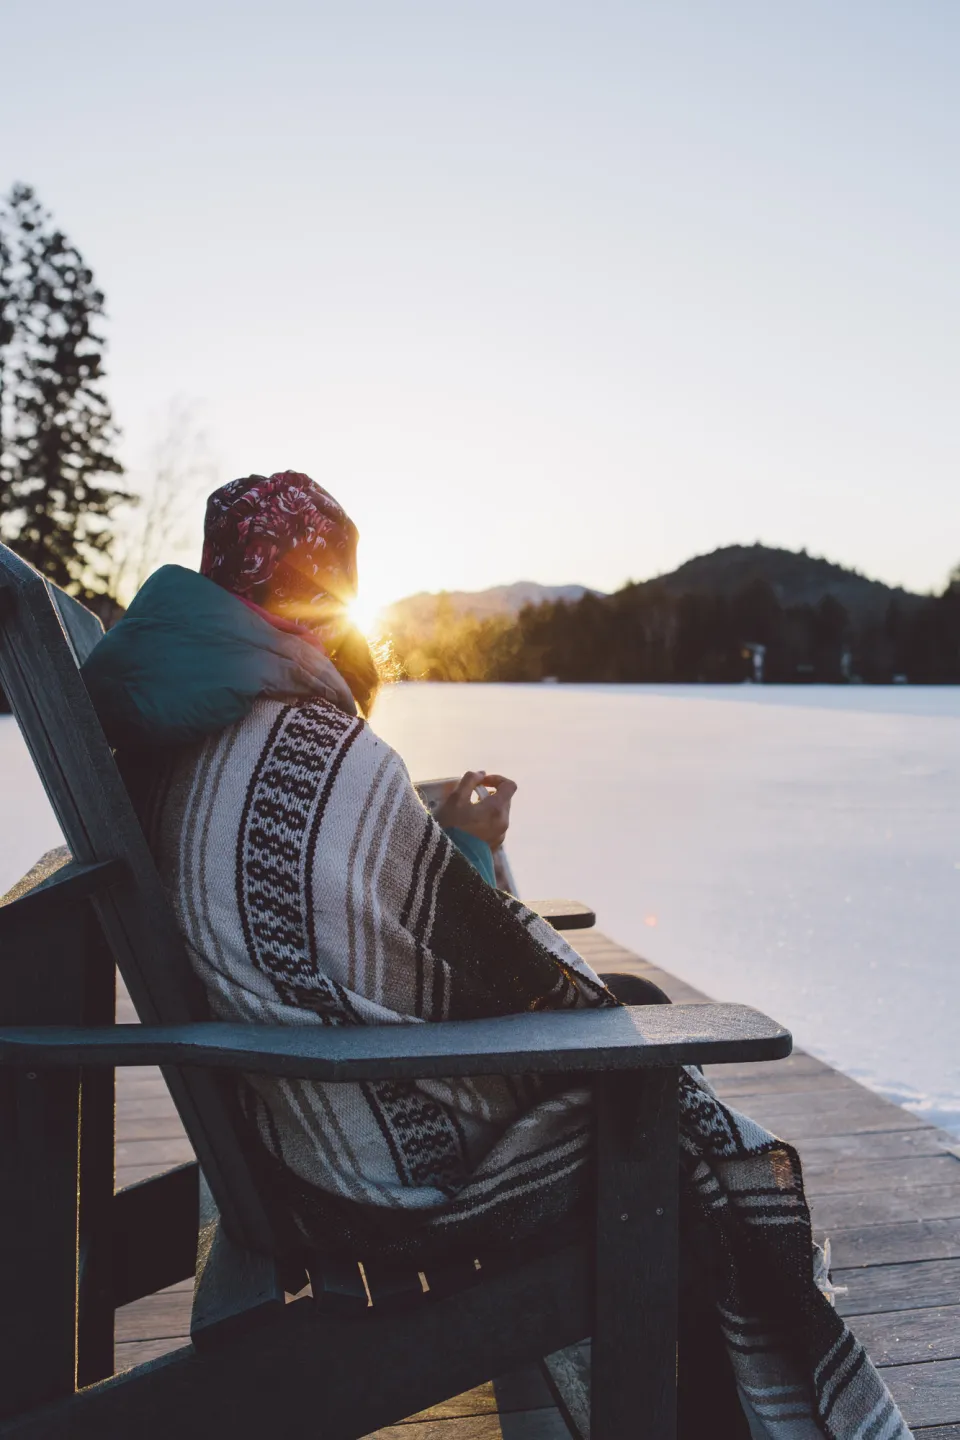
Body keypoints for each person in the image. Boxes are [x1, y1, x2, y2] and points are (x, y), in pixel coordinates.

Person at [82, 472, 909, 1440]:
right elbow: (461, 960)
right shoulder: (305, 742)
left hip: (295, 1125)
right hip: (376, 1190)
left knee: (635, 1027)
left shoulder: (197, 729)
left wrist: (439, 843)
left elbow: (373, 924)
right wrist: (468, 847)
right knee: (683, 1138)